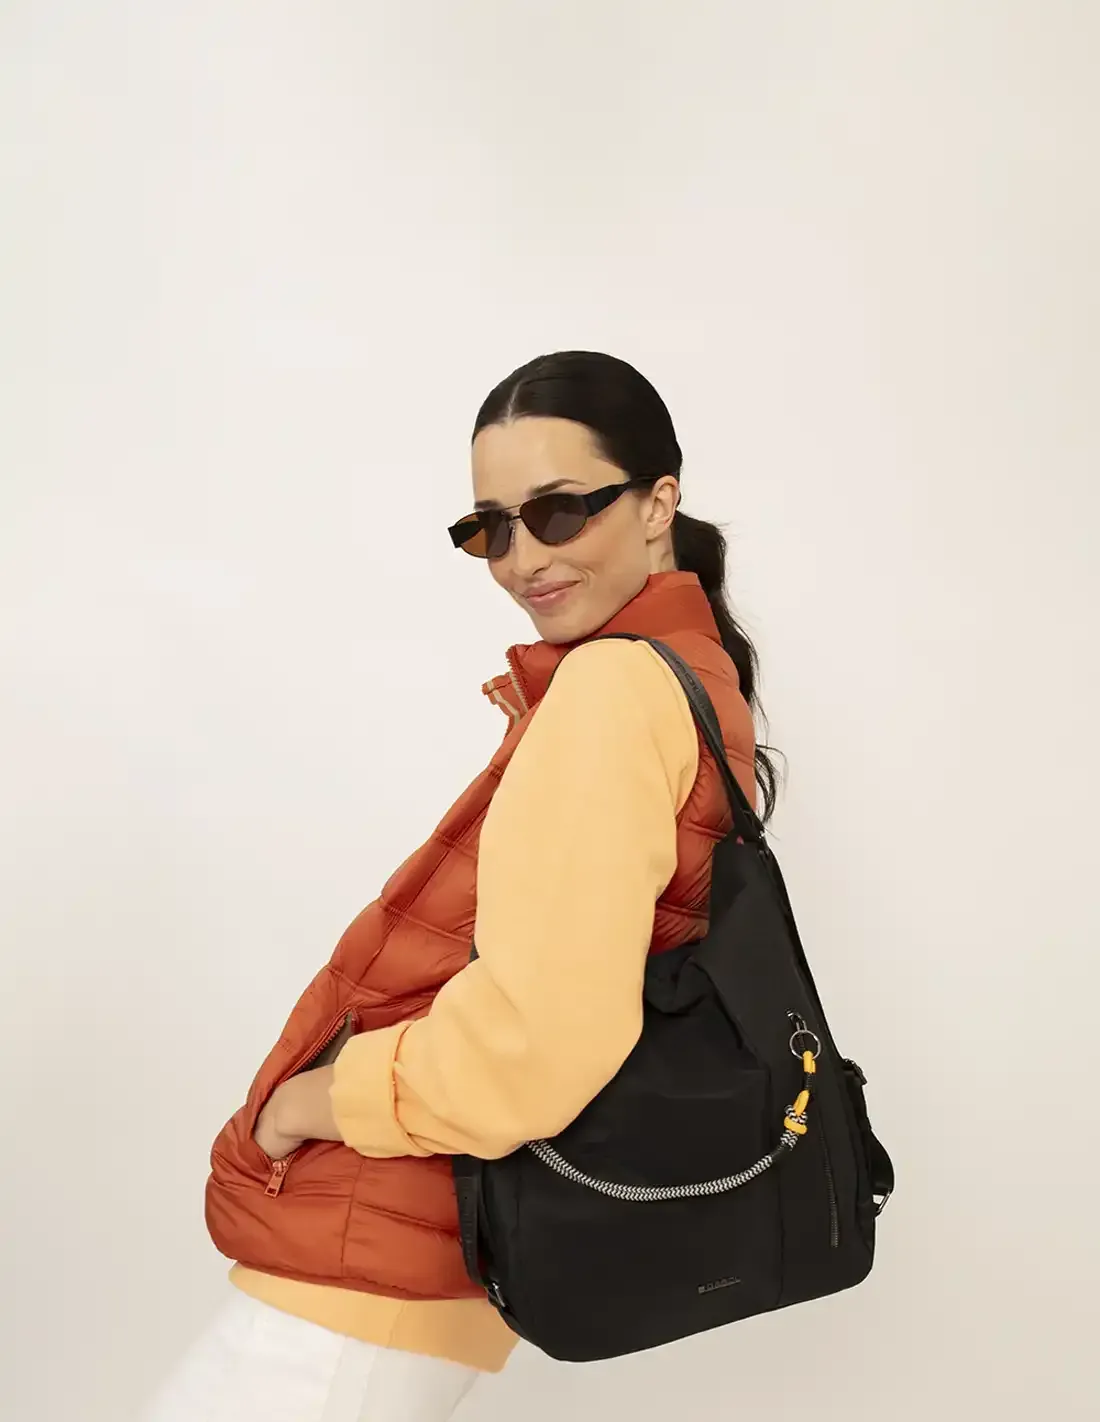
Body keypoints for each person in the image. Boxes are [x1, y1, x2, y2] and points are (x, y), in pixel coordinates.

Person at [144, 350, 778, 1421]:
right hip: (404, 1252)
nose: (522, 559)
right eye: (491, 528)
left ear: (657, 503)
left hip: (368, 1266)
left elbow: (533, 1046)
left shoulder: (614, 690)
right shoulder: (683, 675)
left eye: (560, 511)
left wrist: (313, 1101)